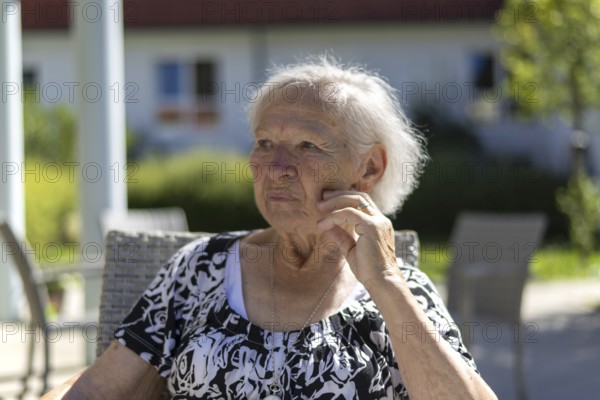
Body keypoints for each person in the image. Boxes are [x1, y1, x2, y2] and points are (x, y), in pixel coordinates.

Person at [43, 57, 497, 400]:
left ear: (369, 167)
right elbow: (96, 389)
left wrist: (386, 283)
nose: (276, 167)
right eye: (264, 143)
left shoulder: (401, 293)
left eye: (306, 145)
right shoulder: (200, 269)